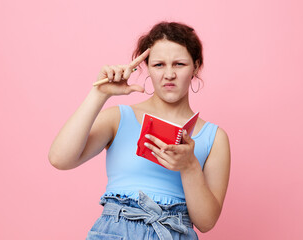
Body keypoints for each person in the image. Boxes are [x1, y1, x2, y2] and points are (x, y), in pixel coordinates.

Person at [49, 21, 231, 240]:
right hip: (116, 229)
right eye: (159, 65)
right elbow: (60, 159)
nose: (169, 74)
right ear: (147, 68)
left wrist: (189, 166)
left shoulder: (214, 137)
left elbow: (206, 222)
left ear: (196, 66)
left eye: (179, 64)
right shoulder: (119, 118)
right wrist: (100, 94)